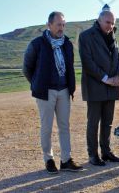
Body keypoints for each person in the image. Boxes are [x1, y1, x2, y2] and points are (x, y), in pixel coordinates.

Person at [23, 11, 83, 174]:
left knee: (64, 126)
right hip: (45, 92)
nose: (61, 28)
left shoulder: (67, 44)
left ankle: (66, 160)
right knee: (47, 127)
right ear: (49, 25)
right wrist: (37, 84)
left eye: (63, 24)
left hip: (64, 90)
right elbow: (27, 68)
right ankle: (48, 159)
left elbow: (69, 67)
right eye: (58, 25)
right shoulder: (37, 44)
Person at [79, 10, 119, 166]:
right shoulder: (86, 36)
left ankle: (106, 152)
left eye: (113, 23)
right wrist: (106, 79)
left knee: (108, 122)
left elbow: (118, 59)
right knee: (93, 123)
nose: (111, 26)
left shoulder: (113, 37)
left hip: (111, 87)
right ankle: (93, 155)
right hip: (95, 87)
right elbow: (88, 62)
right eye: (108, 22)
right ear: (99, 20)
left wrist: (118, 76)